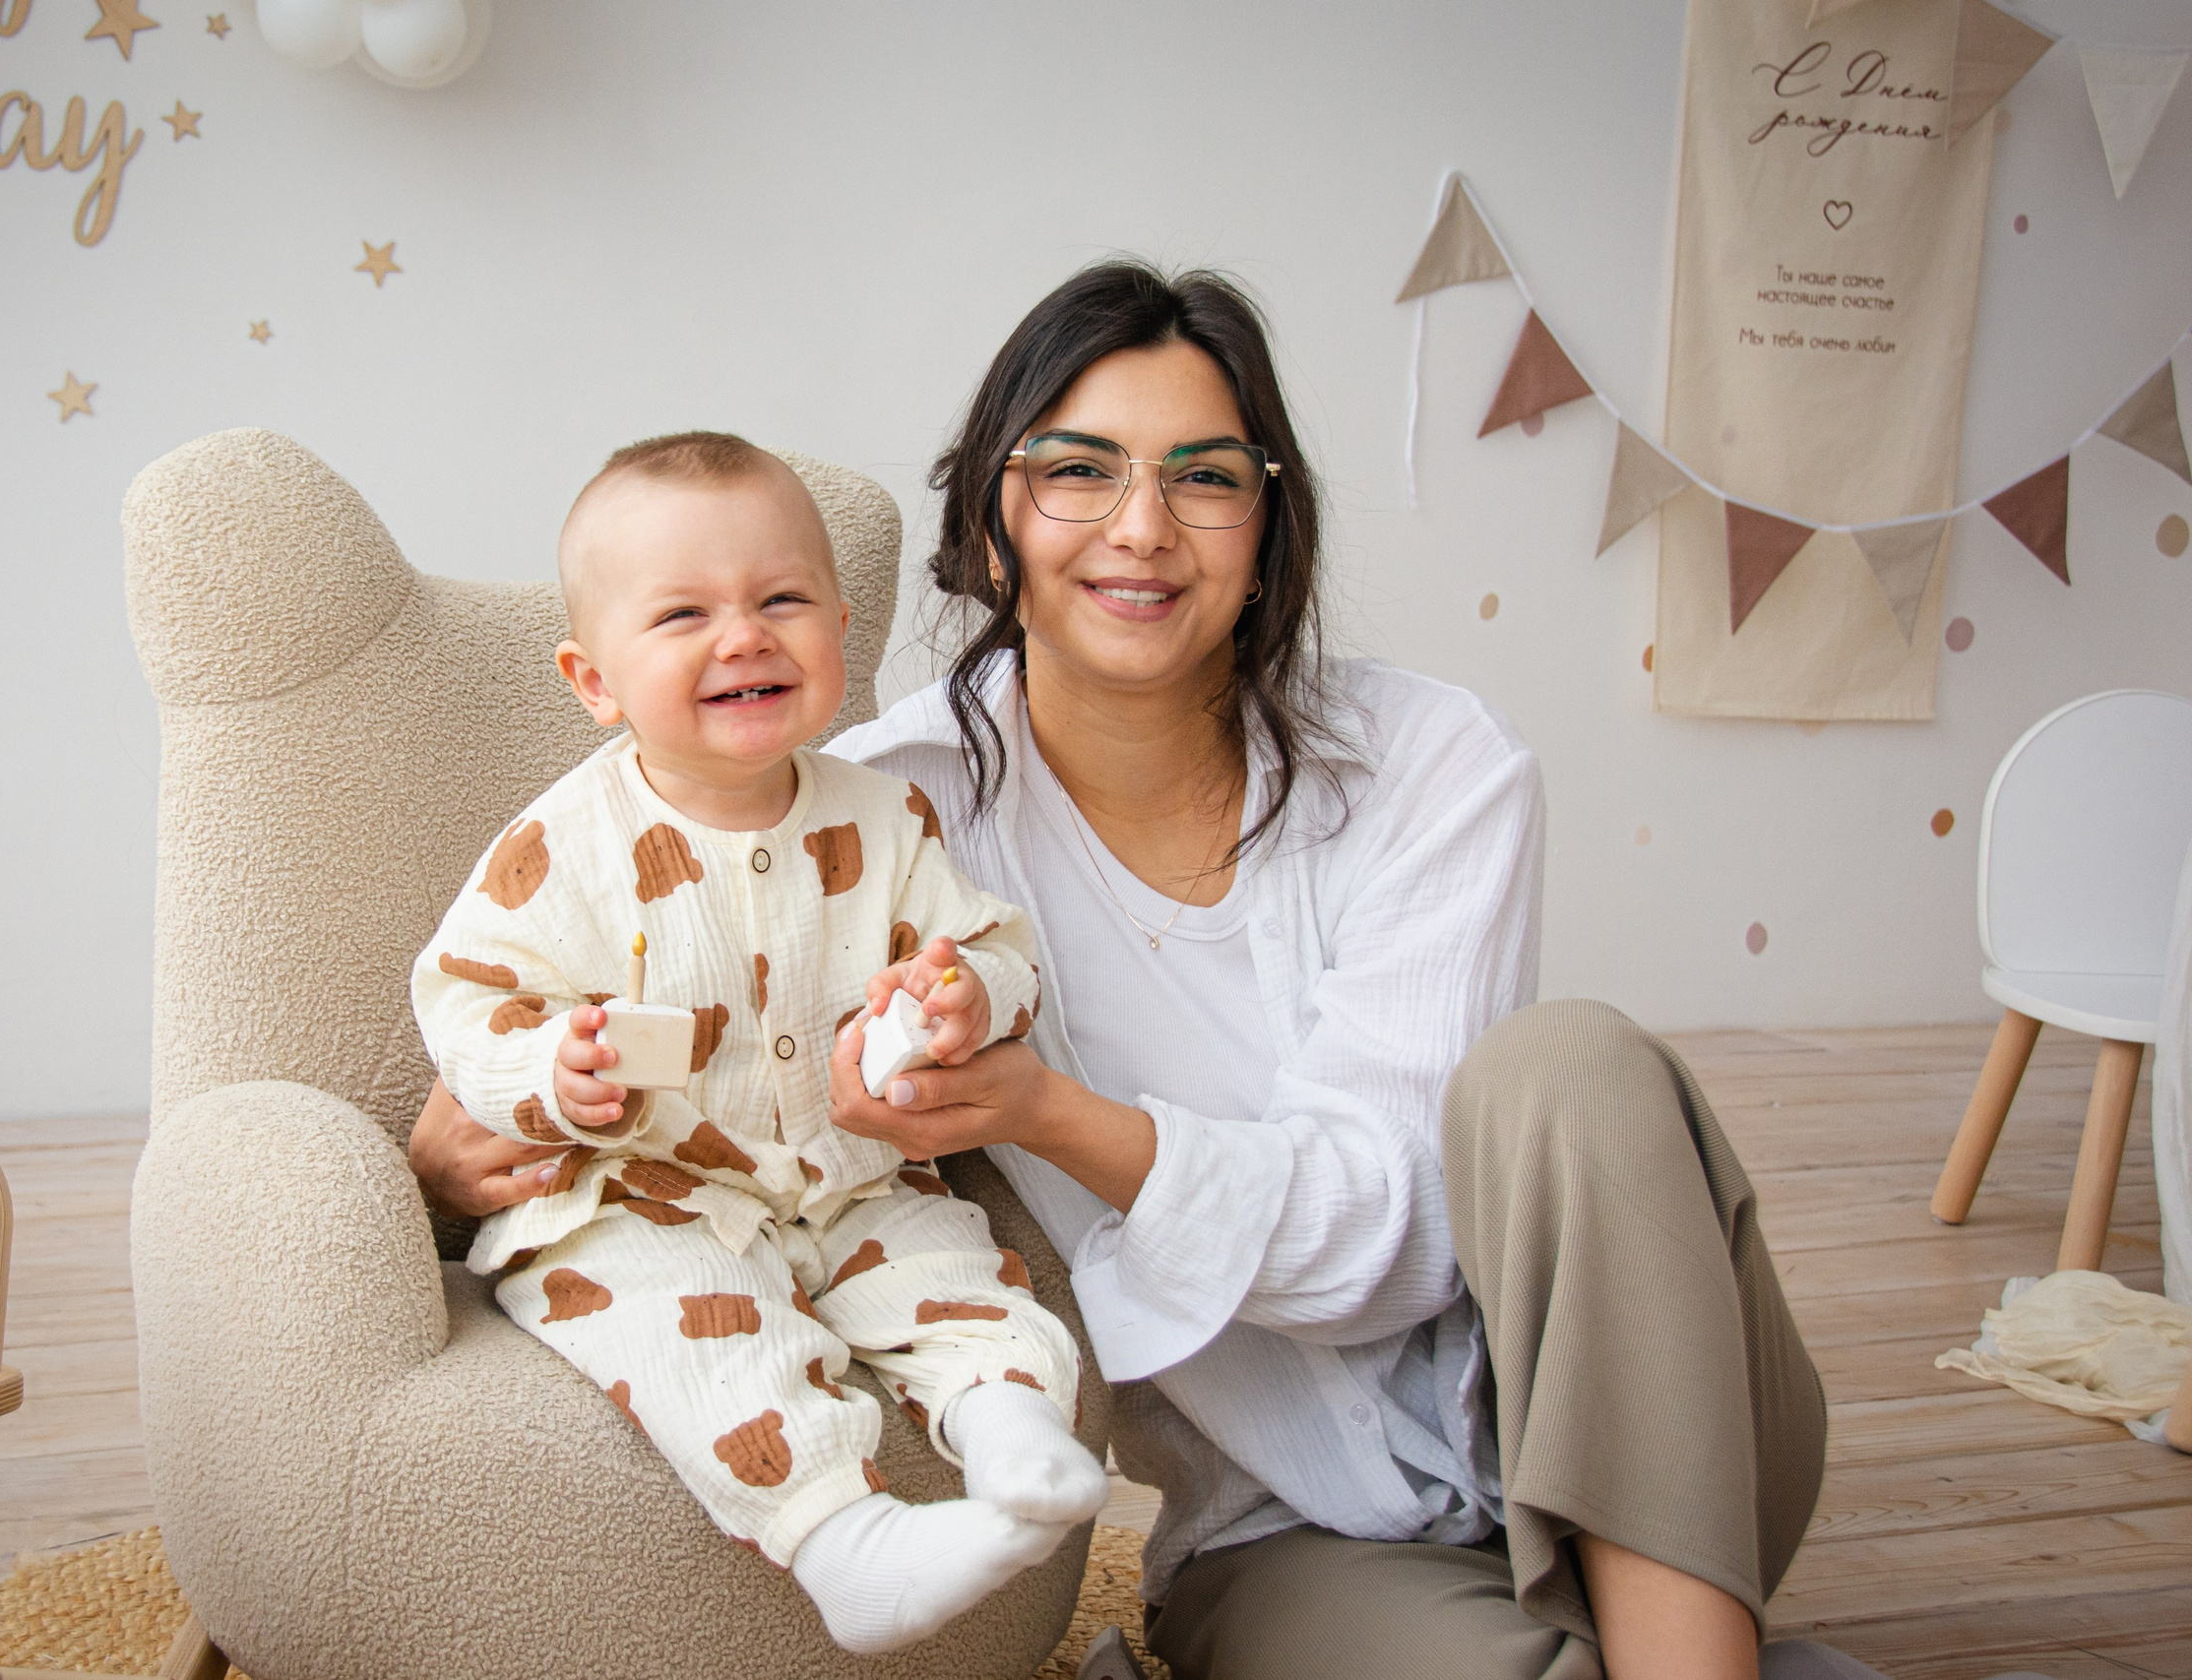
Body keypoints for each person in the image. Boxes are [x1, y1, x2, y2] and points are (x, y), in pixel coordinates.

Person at [410, 271, 1876, 1680]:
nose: (1142, 527)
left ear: (1268, 526)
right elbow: (653, 980)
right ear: (994, 523)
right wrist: (460, 1136)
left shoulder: (1437, 766)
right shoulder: (871, 814)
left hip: (1648, 1429)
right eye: (1078, 471)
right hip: (1287, 1528)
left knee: (1573, 1064)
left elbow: (1390, 1247)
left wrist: (1045, 1112)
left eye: (1206, 476)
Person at [411, 431, 1103, 1656]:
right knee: (695, 1335)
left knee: (965, 1277)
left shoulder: (884, 813)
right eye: (684, 614)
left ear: (840, 630)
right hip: (642, 1195)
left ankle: (1008, 1433)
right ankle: (846, 1544)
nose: (744, 637)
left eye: (782, 601)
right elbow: (466, 998)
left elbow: (995, 947)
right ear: (595, 680)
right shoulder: (562, 845)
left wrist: (963, 996)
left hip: (854, 1179)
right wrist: (548, 1075)